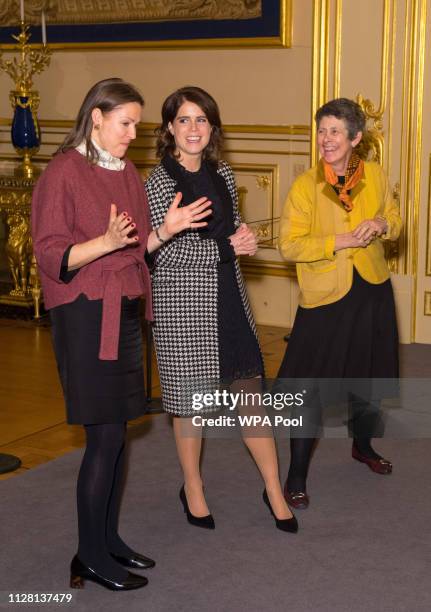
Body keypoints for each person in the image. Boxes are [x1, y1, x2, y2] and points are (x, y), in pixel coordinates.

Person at [31, 78, 211, 591]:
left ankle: (107, 540)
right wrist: (103, 242)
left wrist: (168, 228)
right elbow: (51, 255)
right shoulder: (64, 171)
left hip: (129, 311)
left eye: (136, 123)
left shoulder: (126, 171)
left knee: (119, 437)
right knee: (103, 437)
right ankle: (88, 554)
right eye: (125, 122)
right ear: (96, 118)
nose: (134, 133)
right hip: (88, 314)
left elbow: (138, 249)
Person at [145, 86, 297, 533]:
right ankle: (192, 486)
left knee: (251, 394)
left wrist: (244, 240)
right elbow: (165, 255)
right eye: (184, 120)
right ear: (169, 127)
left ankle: (273, 489)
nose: (193, 129)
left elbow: (229, 233)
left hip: (228, 298)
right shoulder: (158, 182)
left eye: (202, 120)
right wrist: (227, 248)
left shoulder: (224, 173)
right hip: (182, 304)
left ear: (212, 128)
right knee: (191, 405)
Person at [277, 98, 402, 509]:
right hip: (325, 298)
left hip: (370, 289)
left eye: (334, 131)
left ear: (355, 138)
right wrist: (339, 241)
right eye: (322, 130)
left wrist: (383, 223)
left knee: (368, 377)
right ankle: (295, 474)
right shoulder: (304, 186)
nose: (325, 139)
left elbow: (396, 217)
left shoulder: (376, 176)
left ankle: (362, 446)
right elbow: (289, 246)